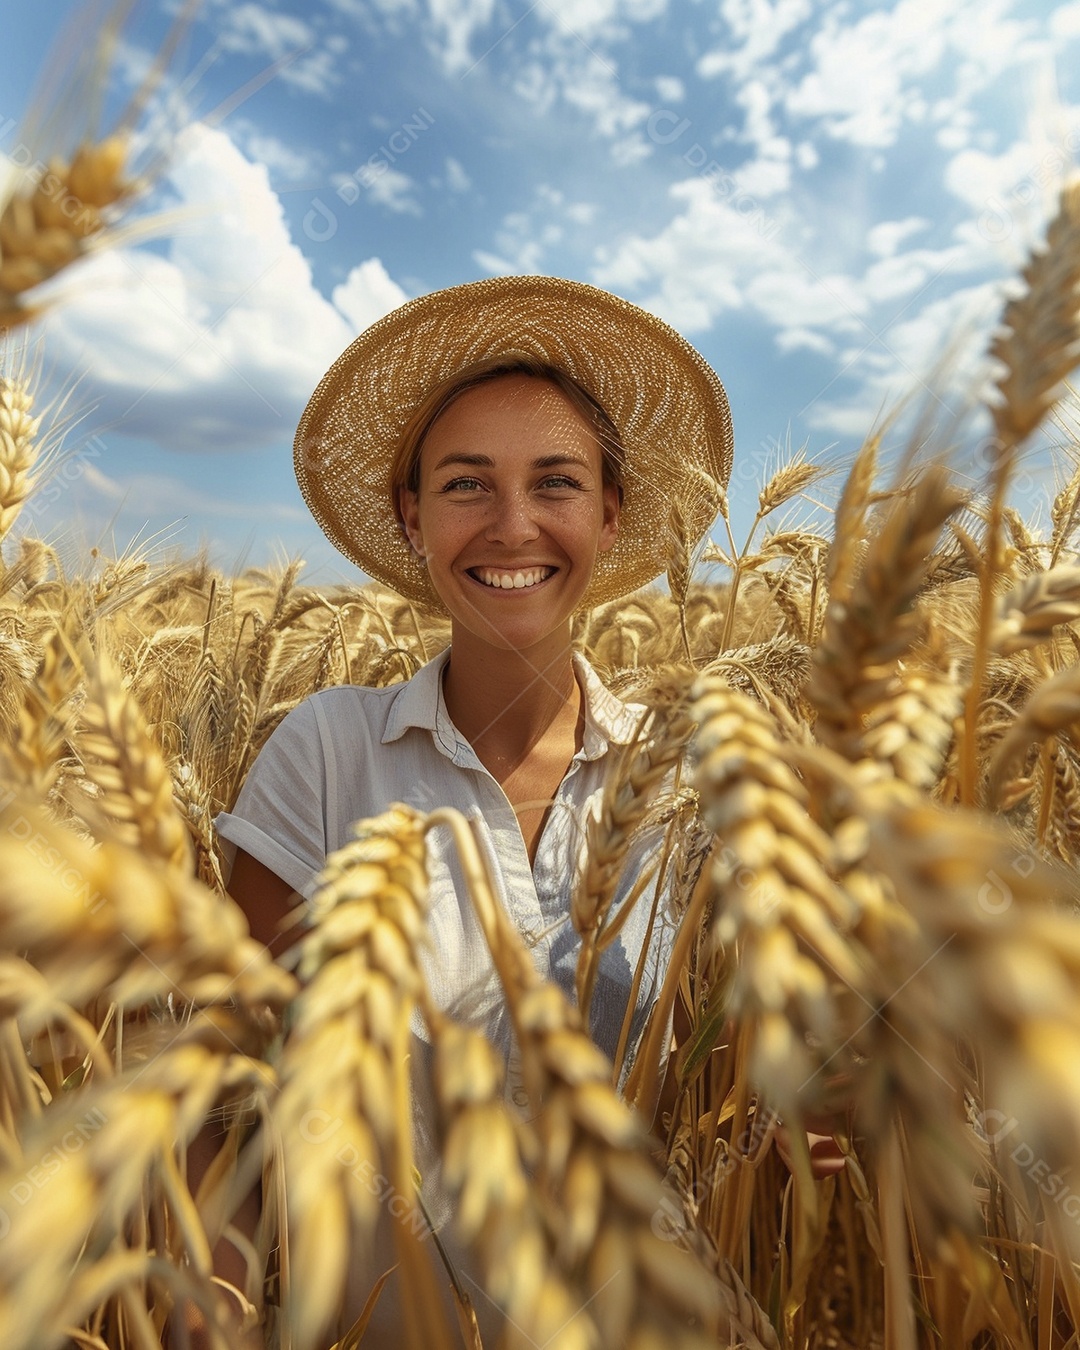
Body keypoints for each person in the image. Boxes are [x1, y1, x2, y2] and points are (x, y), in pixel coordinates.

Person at [211, 275, 832, 1342]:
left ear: (610, 512)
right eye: (464, 485)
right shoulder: (325, 752)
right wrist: (211, 1300)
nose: (511, 526)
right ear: (412, 514)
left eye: (555, 482)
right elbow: (231, 1092)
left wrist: (818, 1125)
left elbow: (749, 1113)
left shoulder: (695, 781)